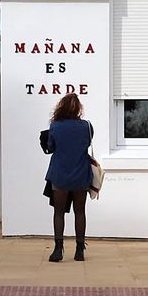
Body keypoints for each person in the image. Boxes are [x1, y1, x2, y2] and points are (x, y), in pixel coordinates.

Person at [42, 92, 96, 262]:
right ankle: (79, 251)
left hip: (60, 175)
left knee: (59, 213)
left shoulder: (55, 126)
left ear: (61, 107)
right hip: (81, 174)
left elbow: (50, 147)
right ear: (79, 108)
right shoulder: (87, 126)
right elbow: (86, 144)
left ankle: (58, 250)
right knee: (80, 212)